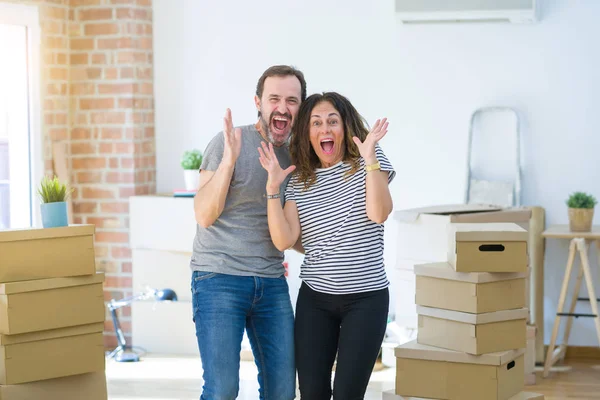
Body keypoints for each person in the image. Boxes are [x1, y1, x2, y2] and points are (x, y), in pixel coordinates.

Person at [258, 91, 395, 400]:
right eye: (316, 122)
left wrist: (370, 158)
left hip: (366, 300)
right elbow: (284, 239)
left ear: (345, 127)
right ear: (307, 132)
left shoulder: (368, 161)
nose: (325, 129)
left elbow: (379, 213)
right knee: (312, 393)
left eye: (333, 121)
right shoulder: (299, 181)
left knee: (347, 394)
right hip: (316, 301)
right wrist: (271, 188)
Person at [190, 65, 307, 400]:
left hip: (270, 281)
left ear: (300, 107)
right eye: (274, 99)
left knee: (282, 391)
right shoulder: (230, 142)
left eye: (292, 100)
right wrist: (229, 162)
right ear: (259, 102)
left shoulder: (298, 159)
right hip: (218, 277)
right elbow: (204, 214)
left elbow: (289, 232)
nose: (282, 108)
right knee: (223, 389)